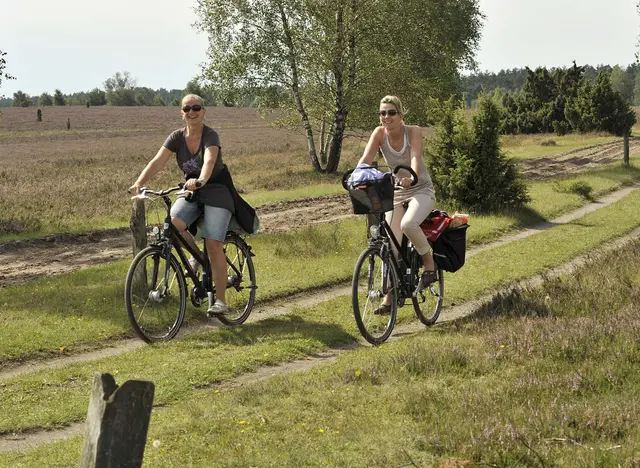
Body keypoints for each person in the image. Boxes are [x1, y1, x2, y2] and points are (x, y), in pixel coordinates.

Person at [129, 94, 257, 316]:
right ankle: (196, 259)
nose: (192, 112)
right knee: (173, 224)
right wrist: (140, 183)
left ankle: (220, 301)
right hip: (190, 191)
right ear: (182, 113)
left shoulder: (210, 135)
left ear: (203, 111)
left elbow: (209, 160)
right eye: (187, 109)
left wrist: (202, 180)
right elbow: (158, 161)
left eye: (196, 107)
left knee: (213, 243)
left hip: (217, 191)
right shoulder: (177, 137)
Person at [357, 95, 437, 314]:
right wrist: (356, 177)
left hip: (420, 189)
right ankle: (390, 297)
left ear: (401, 115)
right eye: (382, 113)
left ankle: (429, 265)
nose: (386, 117)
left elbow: (415, 159)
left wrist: (411, 177)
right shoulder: (379, 133)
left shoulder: (413, 131)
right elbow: (365, 161)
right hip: (396, 194)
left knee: (409, 224)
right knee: (390, 247)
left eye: (391, 112)